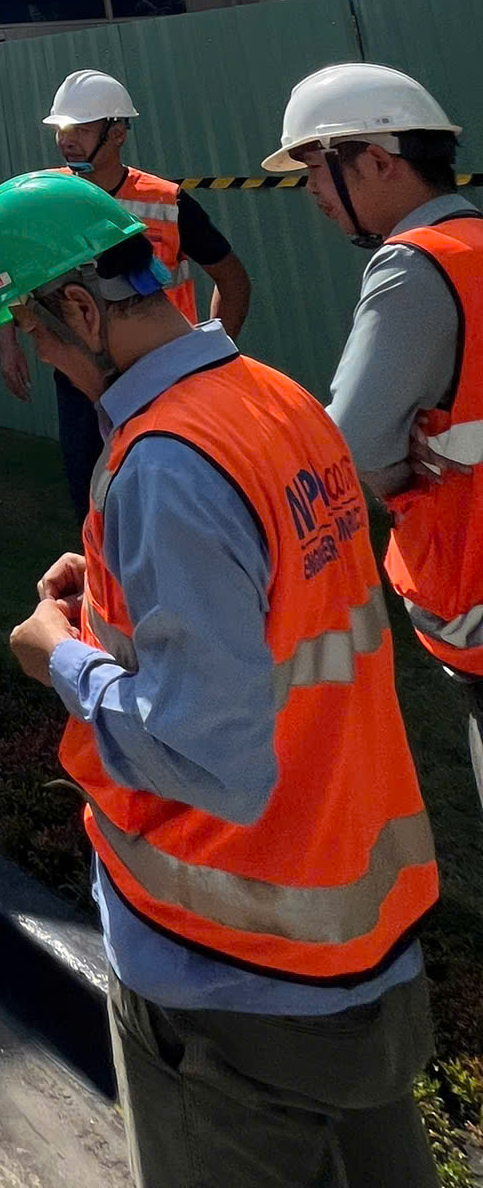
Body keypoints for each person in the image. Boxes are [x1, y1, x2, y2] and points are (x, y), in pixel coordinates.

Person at [0, 169, 439, 1188]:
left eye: (37, 333)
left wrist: (60, 656)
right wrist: (121, 588)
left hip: (230, 978)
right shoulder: (278, 400)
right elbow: (281, 612)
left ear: (82, 309)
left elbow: (205, 756)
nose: (43, 357)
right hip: (355, 944)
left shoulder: (165, 462)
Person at [265, 61, 483, 799]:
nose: (312, 192)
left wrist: (396, 468)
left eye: (315, 169)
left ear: (380, 161)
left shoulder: (413, 266)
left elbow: (350, 449)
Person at [0, 69, 253, 520]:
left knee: (167, 502)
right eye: (61, 129)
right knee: (93, 504)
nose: (67, 140)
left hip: (163, 380)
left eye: (81, 129)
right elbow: (9, 276)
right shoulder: (44, 198)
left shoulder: (166, 201)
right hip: (80, 379)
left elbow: (233, 281)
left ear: (117, 133)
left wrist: (211, 356)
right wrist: (8, 344)